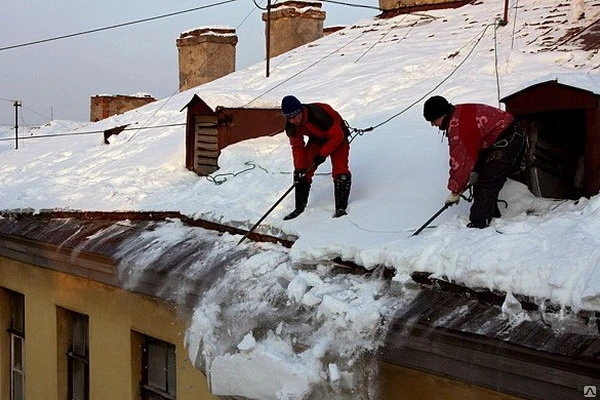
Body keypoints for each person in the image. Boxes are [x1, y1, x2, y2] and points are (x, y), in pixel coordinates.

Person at [423, 95, 525, 228]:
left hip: (508, 138)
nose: (432, 125)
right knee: (482, 177)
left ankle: (478, 224)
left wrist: (455, 191)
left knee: (486, 182)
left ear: (442, 114)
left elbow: (460, 163)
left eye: (433, 120)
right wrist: (475, 171)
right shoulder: (458, 114)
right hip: (497, 139)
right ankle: (491, 215)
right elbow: (473, 150)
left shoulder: (459, 127)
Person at [280, 95, 351, 220]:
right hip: (318, 139)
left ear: (301, 111)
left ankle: (341, 207)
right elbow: (297, 146)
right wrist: (300, 170)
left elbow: (337, 136)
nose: (292, 120)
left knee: (340, 170)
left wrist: (322, 154)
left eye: (295, 116)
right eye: (288, 117)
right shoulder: (291, 125)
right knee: (303, 170)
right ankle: (299, 207)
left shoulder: (318, 115)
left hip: (338, 137)